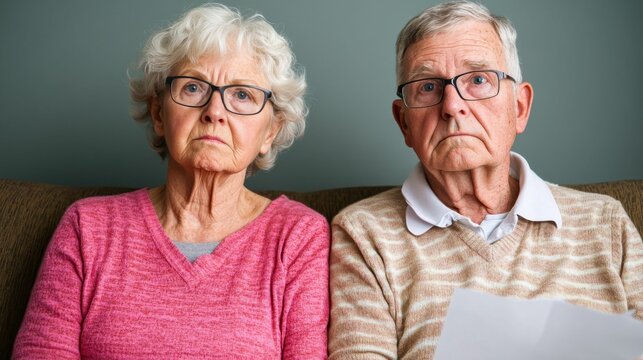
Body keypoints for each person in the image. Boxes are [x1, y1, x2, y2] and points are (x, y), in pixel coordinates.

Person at [328, 1, 643, 359]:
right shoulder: (364, 235)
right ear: (404, 123)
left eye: (478, 80)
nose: (451, 105)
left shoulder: (605, 223)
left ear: (519, 108)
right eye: (428, 87)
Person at [13, 4, 329, 359]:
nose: (215, 111)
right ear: (159, 113)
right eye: (193, 87)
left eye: (242, 95)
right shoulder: (87, 228)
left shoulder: (298, 238)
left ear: (270, 131)